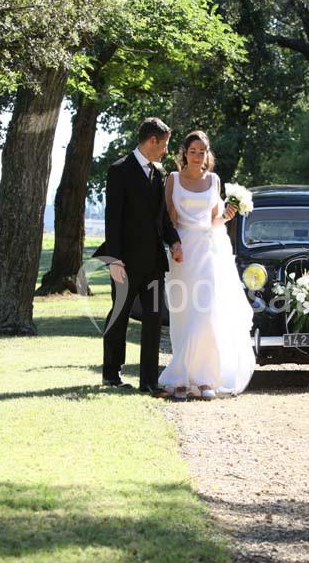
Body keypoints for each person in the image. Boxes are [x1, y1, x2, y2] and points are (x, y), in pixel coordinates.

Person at [158, 130, 255, 400]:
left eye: (202, 152)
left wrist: (227, 215)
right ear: (184, 153)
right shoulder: (173, 180)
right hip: (182, 253)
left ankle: (204, 378)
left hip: (209, 251)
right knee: (183, 315)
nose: (198, 156)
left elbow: (214, 220)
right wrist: (174, 245)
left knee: (205, 314)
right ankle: (180, 378)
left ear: (207, 155)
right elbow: (170, 219)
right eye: (193, 151)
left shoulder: (214, 181)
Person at [95, 118, 182, 396]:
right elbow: (113, 220)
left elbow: (163, 219)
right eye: (165, 145)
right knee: (119, 315)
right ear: (152, 141)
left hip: (154, 262)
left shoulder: (159, 173)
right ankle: (111, 374)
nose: (166, 151)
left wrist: (175, 241)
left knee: (155, 318)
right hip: (125, 262)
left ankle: (148, 381)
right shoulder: (119, 170)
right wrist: (115, 260)